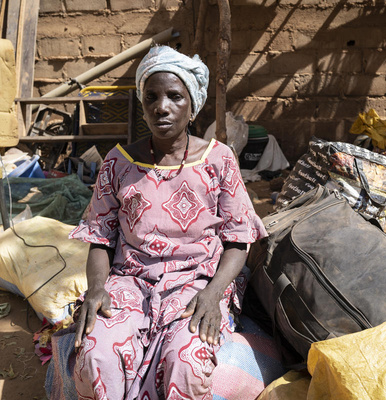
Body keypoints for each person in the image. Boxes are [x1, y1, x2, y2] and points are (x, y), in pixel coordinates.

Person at [69, 45, 267, 400]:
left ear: (192, 105)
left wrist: (213, 293)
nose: (162, 106)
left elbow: (239, 240)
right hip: (129, 281)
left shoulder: (218, 159)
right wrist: (97, 289)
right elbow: (100, 238)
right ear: (143, 107)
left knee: (186, 360)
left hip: (196, 281)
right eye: (151, 98)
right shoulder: (118, 162)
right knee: (97, 353)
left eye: (174, 96)